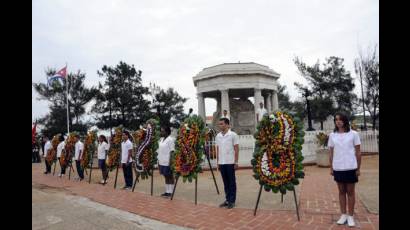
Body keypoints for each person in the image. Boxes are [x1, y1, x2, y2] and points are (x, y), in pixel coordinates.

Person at [328, 112, 361, 227]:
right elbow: (331, 152)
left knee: (350, 192)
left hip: (351, 167)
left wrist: (358, 168)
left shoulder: (354, 134)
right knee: (341, 192)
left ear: (345, 121)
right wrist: (331, 167)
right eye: (336, 119)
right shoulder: (332, 135)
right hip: (338, 167)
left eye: (340, 119)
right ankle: (343, 215)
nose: (338, 121)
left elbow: (358, 152)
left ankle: (351, 216)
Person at [216, 118, 239, 209]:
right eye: (219, 124)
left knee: (232, 182)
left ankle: (232, 201)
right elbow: (217, 149)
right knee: (225, 183)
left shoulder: (233, 135)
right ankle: (227, 199)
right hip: (222, 162)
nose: (220, 125)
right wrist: (218, 162)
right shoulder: (218, 136)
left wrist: (236, 162)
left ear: (227, 125)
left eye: (222, 124)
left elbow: (236, 149)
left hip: (230, 162)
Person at [157, 126, 175, 197]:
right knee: (165, 176)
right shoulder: (161, 139)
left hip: (167, 161)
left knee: (170, 176)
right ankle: (167, 191)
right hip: (162, 161)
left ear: (167, 132)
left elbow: (172, 151)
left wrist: (171, 161)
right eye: (161, 131)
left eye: (163, 131)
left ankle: (171, 192)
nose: (161, 132)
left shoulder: (170, 139)